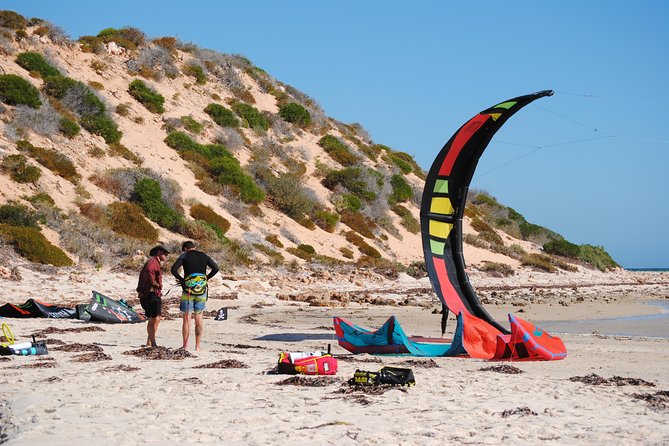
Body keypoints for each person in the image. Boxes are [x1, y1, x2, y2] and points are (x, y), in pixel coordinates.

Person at [171, 241, 219, 351]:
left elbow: (173, 270)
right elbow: (216, 268)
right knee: (199, 318)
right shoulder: (204, 255)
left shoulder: (184, 255)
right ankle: (197, 346)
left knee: (187, 319)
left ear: (185, 248)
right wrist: (206, 278)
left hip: (188, 291)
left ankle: (185, 346)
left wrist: (182, 280)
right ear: (194, 247)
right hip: (201, 291)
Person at [137, 245, 170, 347]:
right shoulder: (152, 262)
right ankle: (152, 342)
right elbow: (149, 272)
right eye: (165, 253)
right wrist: (156, 284)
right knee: (154, 318)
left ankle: (149, 342)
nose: (166, 256)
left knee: (156, 317)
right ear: (159, 253)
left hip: (152, 293)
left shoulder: (155, 262)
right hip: (150, 294)